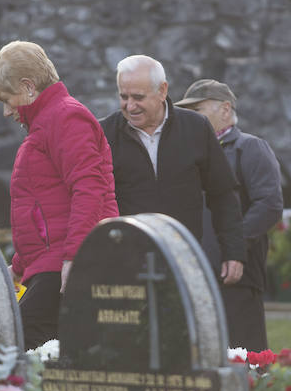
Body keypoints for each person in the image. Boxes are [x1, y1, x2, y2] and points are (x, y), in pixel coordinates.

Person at [0, 40, 118, 349]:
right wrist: (19, 266)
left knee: (18, 350)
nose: (6, 112)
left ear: (29, 87)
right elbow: (45, 207)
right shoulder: (48, 122)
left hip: (64, 264)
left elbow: (89, 187)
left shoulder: (66, 117)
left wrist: (74, 256)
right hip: (51, 263)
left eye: (7, 99)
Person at [100, 55, 246, 286]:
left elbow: (223, 195)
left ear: (162, 90)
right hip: (124, 263)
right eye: (123, 96)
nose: (130, 106)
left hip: (183, 260)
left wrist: (234, 252)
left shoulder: (196, 128)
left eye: (138, 97)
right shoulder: (103, 134)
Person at [175, 79, 283, 352]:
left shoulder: (250, 148)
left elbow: (269, 205)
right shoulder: (188, 154)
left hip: (235, 276)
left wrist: (233, 246)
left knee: (244, 360)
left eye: (197, 110)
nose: (190, 118)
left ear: (225, 110)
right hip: (194, 275)